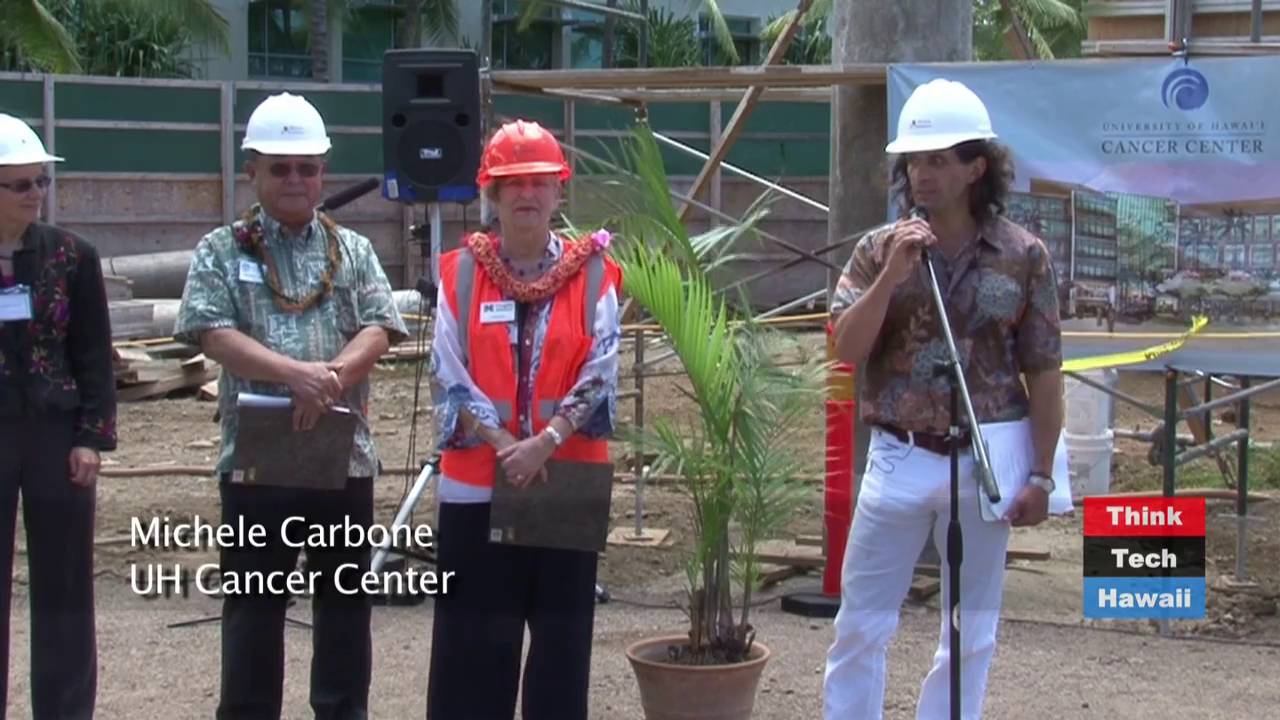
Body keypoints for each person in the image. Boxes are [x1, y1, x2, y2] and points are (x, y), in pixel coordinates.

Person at [824, 79, 1065, 719]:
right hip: (898, 461)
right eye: (913, 160)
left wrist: (1041, 474)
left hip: (984, 466)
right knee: (861, 626)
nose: (920, 174)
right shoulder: (877, 250)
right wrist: (892, 278)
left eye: (937, 159)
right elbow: (845, 348)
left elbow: (1044, 372)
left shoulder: (1025, 257)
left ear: (976, 167)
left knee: (970, 632)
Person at [173, 92, 407, 720]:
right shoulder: (222, 250)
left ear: (324, 169)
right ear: (251, 169)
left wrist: (327, 379)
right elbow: (211, 333)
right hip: (257, 463)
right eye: (280, 167)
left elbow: (380, 327)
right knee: (253, 606)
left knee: (343, 605)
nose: (296, 179)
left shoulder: (352, 252)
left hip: (341, 459)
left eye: (307, 167)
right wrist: (295, 376)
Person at [425, 119, 621, 720]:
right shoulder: (459, 273)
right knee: (471, 649)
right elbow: (449, 370)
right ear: (492, 193)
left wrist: (547, 441)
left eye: (538, 181)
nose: (526, 194)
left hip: (565, 480)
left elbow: (602, 367)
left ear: (560, 190)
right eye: (512, 183)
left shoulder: (593, 274)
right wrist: (508, 443)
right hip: (477, 484)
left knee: (561, 651)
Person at [0, 113, 115, 719]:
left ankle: (66, 709)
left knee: (64, 584)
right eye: (19, 184)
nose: (35, 194)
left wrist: (93, 436)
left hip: (55, 430)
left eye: (39, 181)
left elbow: (95, 352)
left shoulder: (73, 256)